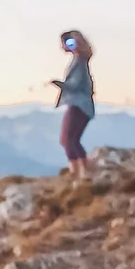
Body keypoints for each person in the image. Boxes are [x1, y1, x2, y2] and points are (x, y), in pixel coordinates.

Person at [52, 30, 96, 179]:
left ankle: (77, 172)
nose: (63, 47)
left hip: (78, 104)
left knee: (67, 139)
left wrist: (60, 84)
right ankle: (84, 170)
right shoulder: (81, 61)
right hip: (83, 105)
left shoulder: (78, 61)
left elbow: (75, 84)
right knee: (72, 139)